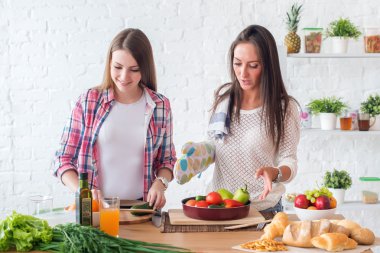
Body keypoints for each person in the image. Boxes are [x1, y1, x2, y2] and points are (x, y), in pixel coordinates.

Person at [174, 25, 300, 212]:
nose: (242, 73)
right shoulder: (223, 101)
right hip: (218, 206)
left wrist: (275, 173)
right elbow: (215, 145)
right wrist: (199, 154)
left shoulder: (283, 108)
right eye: (238, 63)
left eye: (253, 65)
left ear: (268, 65)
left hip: (262, 210)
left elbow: (289, 160)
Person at [54, 28, 176, 210]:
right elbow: (63, 160)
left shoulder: (160, 105)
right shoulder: (89, 101)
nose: (124, 77)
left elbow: (167, 160)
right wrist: (83, 191)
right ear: (109, 63)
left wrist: (161, 184)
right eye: (117, 67)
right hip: (95, 211)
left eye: (134, 69)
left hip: (141, 211)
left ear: (145, 68)